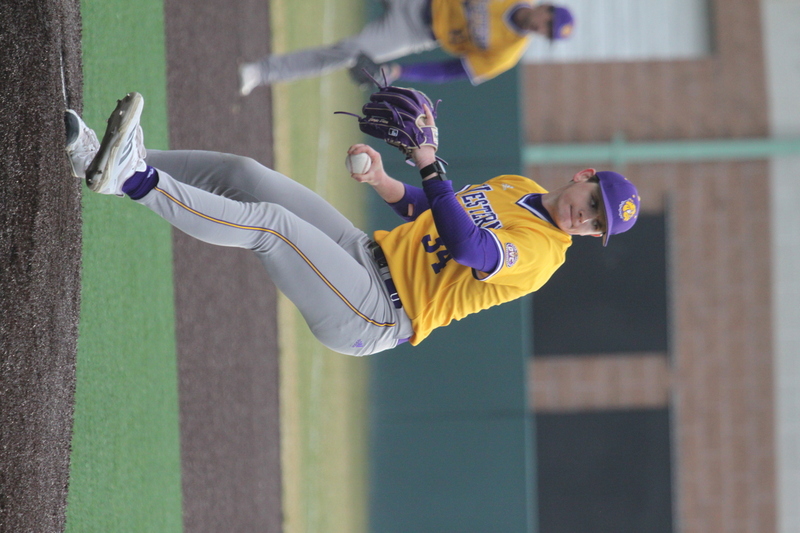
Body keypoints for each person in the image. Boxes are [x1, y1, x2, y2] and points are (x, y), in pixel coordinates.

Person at [65, 92, 639, 356]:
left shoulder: (542, 257)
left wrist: (429, 160)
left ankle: (132, 178)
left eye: (595, 224)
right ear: (584, 175)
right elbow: (431, 214)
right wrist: (387, 183)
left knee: (272, 227)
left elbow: (466, 245)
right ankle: (106, 160)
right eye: (593, 202)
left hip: (377, 312)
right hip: (367, 253)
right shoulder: (523, 190)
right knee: (248, 175)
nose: (584, 217)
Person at [238, 1, 574, 95]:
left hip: (415, 31)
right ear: (545, 6)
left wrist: (402, 70)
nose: (541, 28)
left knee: (349, 52)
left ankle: (261, 71)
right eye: (548, 21)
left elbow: (453, 70)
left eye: (547, 33)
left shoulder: (508, 52)